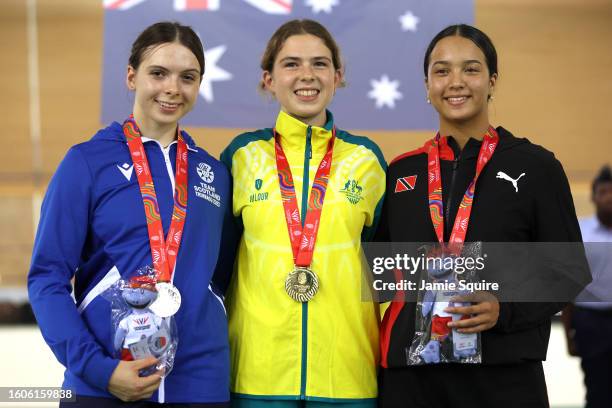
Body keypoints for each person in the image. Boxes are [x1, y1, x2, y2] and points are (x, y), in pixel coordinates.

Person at [376, 24, 591, 407]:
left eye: (470, 69)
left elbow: (568, 271)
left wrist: (504, 309)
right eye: (441, 71)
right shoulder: (400, 172)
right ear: (427, 86)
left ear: (492, 81)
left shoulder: (536, 167)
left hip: (502, 377)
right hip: (411, 381)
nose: (455, 82)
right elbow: (378, 273)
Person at [28, 21, 235, 407]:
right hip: (105, 382)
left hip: (199, 386)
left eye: (187, 77)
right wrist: (98, 369)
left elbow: (219, 277)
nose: (173, 88)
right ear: (131, 76)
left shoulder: (214, 174)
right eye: (158, 73)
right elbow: (47, 278)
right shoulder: (87, 162)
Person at [220, 19, 386, 408]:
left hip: (347, 376)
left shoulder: (367, 160)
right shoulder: (241, 156)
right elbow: (218, 265)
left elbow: (386, 270)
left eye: (320, 63)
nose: (306, 75)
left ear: (338, 76)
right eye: (291, 64)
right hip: (257, 376)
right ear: (268, 78)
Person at [562, 165, 612, 408]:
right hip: (590, 323)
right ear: (593, 197)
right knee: (597, 389)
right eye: (603, 191)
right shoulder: (580, 231)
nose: (609, 197)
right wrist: (568, 334)